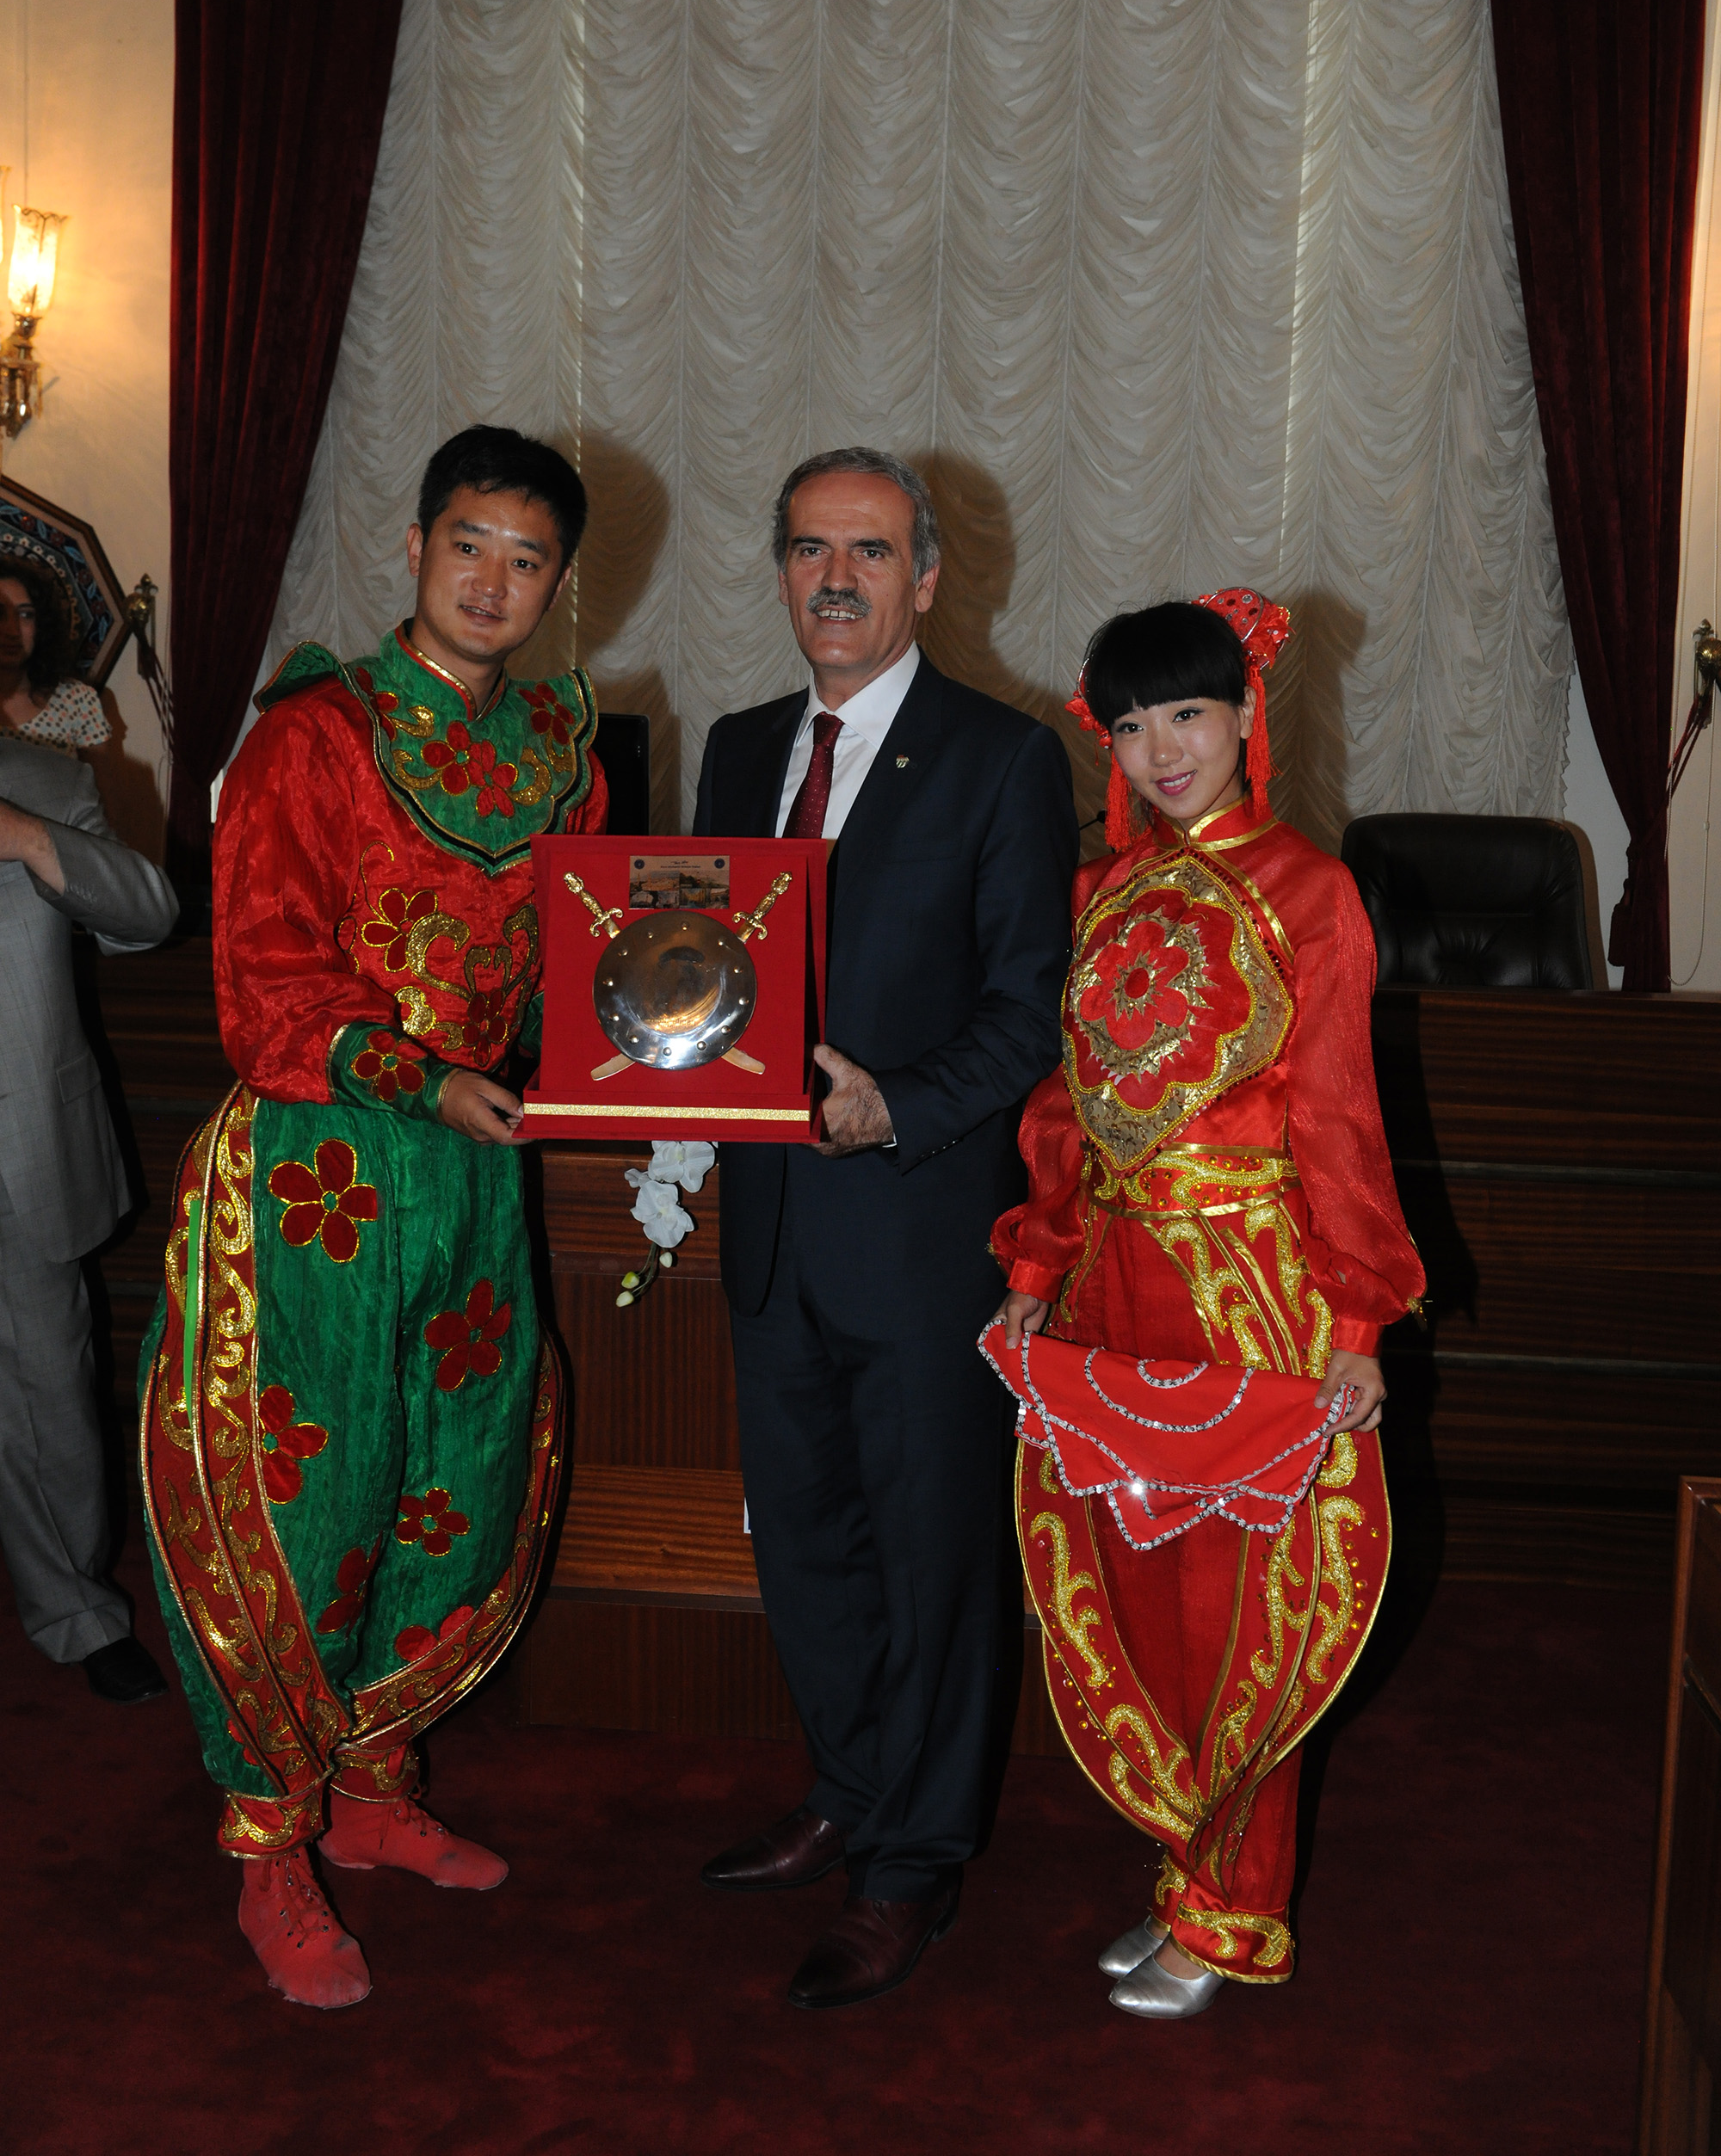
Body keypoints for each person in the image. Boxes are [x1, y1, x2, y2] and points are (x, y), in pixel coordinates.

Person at [139, 425, 608, 2011]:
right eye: (469, 545)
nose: (493, 582)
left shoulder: (563, 750)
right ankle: (270, 1842)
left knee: (455, 1477)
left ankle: (375, 1784)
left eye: (527, 559)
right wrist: (414, 1074)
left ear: (558, 582)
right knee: (309, 1501)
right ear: (415, 549)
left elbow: (593, 960)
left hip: (474, 1174)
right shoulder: (313, 733)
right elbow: (264, 973)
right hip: (318, 1169)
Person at [991, 591, 1424, 2019]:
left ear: (1246, 716)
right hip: (1116, 1284)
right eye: (1131, 724)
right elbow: (1068, 1100)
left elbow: (1341, 1119)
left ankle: (1238, 1913)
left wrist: (1357, 1326)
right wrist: (1037, 1267)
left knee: (1247, 1610)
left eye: (1187, 713)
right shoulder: (1102, 889)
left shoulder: (1312, 889)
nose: (1163, 748)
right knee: (1138, 1592)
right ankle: (1189, 1875)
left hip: (1250, 1289)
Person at [692, 445, 1076, 2011]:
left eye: (868, 551)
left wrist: (897, 1107)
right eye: (809, 550)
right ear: (781, 572)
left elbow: (1030, 1010)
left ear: (926, 577)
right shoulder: (736, 749)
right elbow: (696, 965)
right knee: (808, 1546)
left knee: (932, 1563)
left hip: (920, 1234)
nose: (836, 578)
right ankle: (850, 1787)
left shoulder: (1005, 757)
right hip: (772, 1227)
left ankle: (914, 1865)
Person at [0, 730, 176, 1700]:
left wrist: (25, 836)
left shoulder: (42, 779)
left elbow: (147, 917)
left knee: (45, 1390)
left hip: (14, 1147)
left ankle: (75, 1610)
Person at [0, 554, 110, 755]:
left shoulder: (76, 701)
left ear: (42, 624)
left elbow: (101, 777)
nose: (12, 630)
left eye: (26, 615)